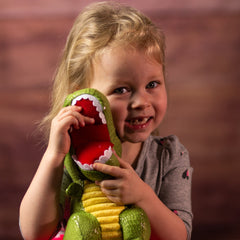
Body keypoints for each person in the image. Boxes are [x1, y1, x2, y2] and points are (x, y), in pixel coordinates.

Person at [19, 1, 193, 240]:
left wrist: (143, 196)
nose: (141, 101)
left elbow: (179, 236)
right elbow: (34, 233)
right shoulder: (74, 156)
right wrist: (54, 156)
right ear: (84, 96)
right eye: (121, 89)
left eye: (152, 84)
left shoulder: (170, 155)